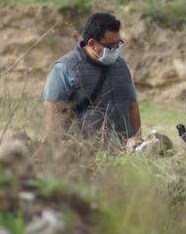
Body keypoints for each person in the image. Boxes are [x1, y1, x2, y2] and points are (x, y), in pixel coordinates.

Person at [42, 12, 141, 146]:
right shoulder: (66, 68)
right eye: (110, 46)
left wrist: (138, 139)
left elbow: (132, 105)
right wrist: (56, 150)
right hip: (88, 155)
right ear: (92, 43)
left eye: (118, 44)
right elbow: (51, 109)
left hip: (125, 155)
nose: (115, 50)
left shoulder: (121, 65)